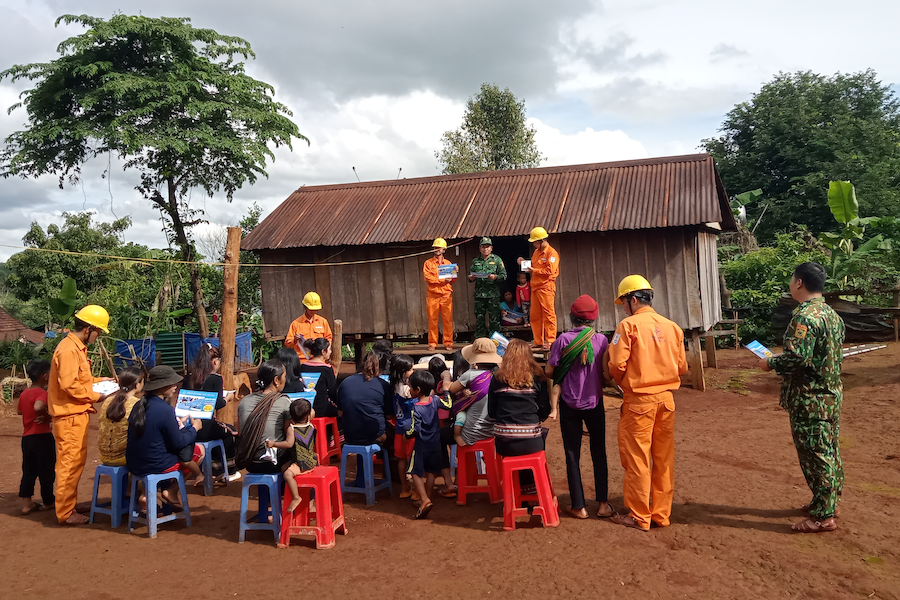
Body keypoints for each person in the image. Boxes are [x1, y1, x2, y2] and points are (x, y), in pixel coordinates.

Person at [759, 261, 845, 533]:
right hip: (830, 395)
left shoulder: (805, 317)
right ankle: (828, 500)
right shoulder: (831, 314)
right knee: (829, 450)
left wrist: (770, 363)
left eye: (791, 278)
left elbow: (797, 358)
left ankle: (823, 516)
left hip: (810, 399)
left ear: (799, 283)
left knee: (816, 454)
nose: (790, 283)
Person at [608, 275, 688, 532]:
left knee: (637, 459)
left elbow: (616, 365)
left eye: (624, 302)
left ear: (633, 299)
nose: (623, 307)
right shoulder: (673, 327)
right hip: (666, 401)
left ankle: (639, 515)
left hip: (638, 401)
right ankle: (661, 514)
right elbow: (682, 367)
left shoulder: (627, 326)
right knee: (663, 460)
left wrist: (623, 383)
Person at [546, 295, 613, 520]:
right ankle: (603, 504)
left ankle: (579, 506)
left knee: (572, 453)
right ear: (594, 318)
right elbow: (606, 373)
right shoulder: (602, 341)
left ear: (572, 317)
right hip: (595, 402)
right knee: (599, 452)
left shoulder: (563, 340)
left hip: (569, 403)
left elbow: (550, 372)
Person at [47, 304, 114, 525]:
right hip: (69, 417)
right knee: (69, 463)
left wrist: (100, 381)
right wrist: (96, 395)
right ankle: (65, 512)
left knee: (74, 462)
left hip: (75, 415)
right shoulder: (68, 350)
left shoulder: (75, 348)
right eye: (98, 332)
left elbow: (79, 380)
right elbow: (69, 386)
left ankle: (68, 504)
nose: (97, 337)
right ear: (89, 329)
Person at [126, 366, 204, 511]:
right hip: (157, 465)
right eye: (172, 384)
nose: (175, 387)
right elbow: (179, 442)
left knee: (155, 450)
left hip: (134, 465)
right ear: (163, 387)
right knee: (198, 452)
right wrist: (194, 429)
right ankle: (171, 491)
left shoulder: (138, 405)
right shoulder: (166, 410)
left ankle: (145, 494)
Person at [487, 339, 551, 493]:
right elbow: (545, 409)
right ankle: (530, 489)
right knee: (532, 449)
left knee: (512, 456)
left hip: (505, 442)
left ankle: (516, 490)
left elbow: (491, 412)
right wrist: (537, 419)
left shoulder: (497, 379)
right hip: (532, 441)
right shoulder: (537, 378)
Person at [405, 370, 452, 519]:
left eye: (411, 387)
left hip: (421, 446)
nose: (409, 390)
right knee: (431, 471)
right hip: (435, 444)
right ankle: (426, 497)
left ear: (417, 390)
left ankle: (424, 499)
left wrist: (407, 434)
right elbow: (449, 405)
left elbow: (415, 429)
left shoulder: (416, 408)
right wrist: (447, 392)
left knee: (414, 472)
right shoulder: (435, 400)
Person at [236, 360, 294, 475]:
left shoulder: (244, 401)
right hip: (273, 463)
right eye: (284, 376)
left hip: (250, 462)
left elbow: (240, 432)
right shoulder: (283, 402)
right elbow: (288, 432)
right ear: (276, 380)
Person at [265, 397, 318, 516]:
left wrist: (274, 444)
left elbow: (288, 444)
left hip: (301, 464)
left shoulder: (292, 428)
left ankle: (296, 497)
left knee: (287, 474)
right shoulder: (311, 426)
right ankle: (299, 494)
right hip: (312, 461)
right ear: (308, 415)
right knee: (284, 467)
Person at [184, 343, 237, 460]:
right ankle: (227, 469)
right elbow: (218, 404)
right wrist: (227, 398)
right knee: (230, 432)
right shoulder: (216, 379)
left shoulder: (189, 378)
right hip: (207, 427)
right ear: (214, 362)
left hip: (188, 426)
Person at [18, 359, 54, 515]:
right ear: (45, 376)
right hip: (42, 437)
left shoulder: (25, 392)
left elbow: (20, 411)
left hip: (27, 438)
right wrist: (46, 416)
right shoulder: (42, 393)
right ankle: (48, 501)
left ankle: (27, 503)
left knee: (28, 470)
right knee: (46, 471)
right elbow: (38, 406)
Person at [336, 351, 392, 446]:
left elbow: (340, 413)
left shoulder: (345, 382)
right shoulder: (384, 385)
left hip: (349, 434)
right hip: (375, 435)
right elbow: (389, 416)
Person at [517, 226, 559, 350]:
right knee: (534, 315)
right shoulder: (536, 253)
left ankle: (550, 340)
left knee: (548, 314)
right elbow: (534, 266)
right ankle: (538, 340)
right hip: (535, 287)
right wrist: (524, 263)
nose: (534, 244)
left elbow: (550, 270)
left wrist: (533, 270)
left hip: (546, 287)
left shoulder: (552, 253)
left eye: (535, 242)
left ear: (542, 240)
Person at [98, 366, 145, 466]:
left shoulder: (107, 401)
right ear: (137, 385)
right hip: (123, 457)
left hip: (104, 455)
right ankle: (136, 481)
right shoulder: (137, 404)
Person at [389, 354, 417, 498]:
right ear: (403, 371)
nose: (413, 371)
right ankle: (418, 491)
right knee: (414, 460)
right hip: (410, 428)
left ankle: (404, 489)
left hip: (399, 428)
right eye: (410, 369)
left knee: (401, 460)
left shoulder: (392, 386)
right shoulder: (407, 390)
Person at [468, 237, 507, 338]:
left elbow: (504, 275)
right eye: (483, 247)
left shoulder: (497, 260)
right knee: (479, 319)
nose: (485, 249)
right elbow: (470, 276)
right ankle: (480, 340)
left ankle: (495, 340)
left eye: (487, 247)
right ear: (480, 248)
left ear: (491, 248)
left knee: (494, 319)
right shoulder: (475, 261)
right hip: (479, 295)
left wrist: (495, 277)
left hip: (492, 295)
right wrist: (471, 278)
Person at [423, 237, 457, 351]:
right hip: (433, 295)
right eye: (435, 247)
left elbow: (452, 280)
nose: (437, 249)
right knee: (432, 320)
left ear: (444, 249)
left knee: (447, 319)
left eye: (439, 247)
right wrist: (442, 280)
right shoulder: (428, 263)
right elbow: (428, 278)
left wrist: (455, 271)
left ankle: (448, 342)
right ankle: (433, 343)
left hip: (446, 294)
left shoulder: (448, 263)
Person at [285, 291, 333, 362]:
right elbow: (288, 344)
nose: (313, 311)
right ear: (305, 307)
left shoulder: (323, 322)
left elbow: (328, 339)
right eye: (311, 309)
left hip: (319, 360)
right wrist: (294, 340)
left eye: (315, 309)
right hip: (302, 361)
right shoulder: (296, 324)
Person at [297, 338, 339, 418]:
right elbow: (333, 392)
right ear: (323, 351)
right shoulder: (327, 369)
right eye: (329, 349)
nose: (330, 352)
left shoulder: (302, 366)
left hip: (305, 408)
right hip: (322, 408)